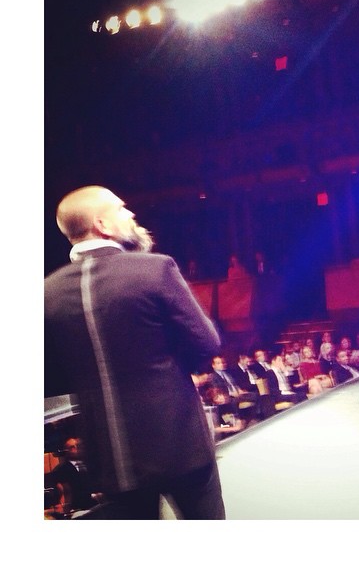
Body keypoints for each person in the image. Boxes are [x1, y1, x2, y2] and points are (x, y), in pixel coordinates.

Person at [44, 185, 225, 519]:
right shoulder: (153, 269)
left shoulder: (47, 292)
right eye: (121, 208)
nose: (130, 214)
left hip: (111, 459)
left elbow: (49, 377)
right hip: (180, 443)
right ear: (103, 224)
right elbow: (206, 342)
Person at [48, 437, 103, 514]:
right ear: (66, 451)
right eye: (72, 447)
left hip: (98, 505)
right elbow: (66, 493)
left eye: (78, 446)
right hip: (77, 509)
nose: (76, 449)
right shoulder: (61, 470)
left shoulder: (90, 464)